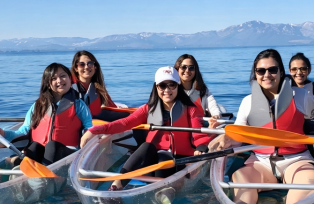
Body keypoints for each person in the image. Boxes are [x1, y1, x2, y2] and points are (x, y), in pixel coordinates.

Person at [209, 49, 314, 204]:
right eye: (261, 71)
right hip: (260, 162)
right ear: (255, 74)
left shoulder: (299, 96)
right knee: (240, 179)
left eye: (272, 70)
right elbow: (239, 133)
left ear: (281, 72)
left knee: (308, 184)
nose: (266, 75)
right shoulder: (248, 102)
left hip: (297, 160)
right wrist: (224, 138)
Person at [80, 66, 218, 190]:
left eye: (172, 85)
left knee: (164, 159)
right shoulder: (147, 109)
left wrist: (200, 148)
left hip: (178, 161)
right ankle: (116, 186)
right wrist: (93, 130)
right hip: (151, 162)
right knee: (146, 146)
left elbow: (198, 134)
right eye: (162, 86)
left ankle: (164, 193)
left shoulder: (191, 110)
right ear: (156, 87)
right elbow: (123, 123)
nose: (167, 90)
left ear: (178, 86)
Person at [0, 63, 93, 165]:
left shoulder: (79, 105)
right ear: (48, 83)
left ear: (70, 79)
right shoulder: (38, 106)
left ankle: (31, 171)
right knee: (34, 146)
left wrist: (89, 136)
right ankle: (28, 171)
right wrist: (3, 133)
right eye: (53, 78)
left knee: (52, 146)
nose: (59, 81)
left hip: (68, 155)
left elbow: (89, 128)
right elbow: (23, 131)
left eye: (63, 76)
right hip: (41, 154)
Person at [71, 50, 128, 120]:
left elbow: (111, 107)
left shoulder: (98, 89)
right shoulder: (68, 86)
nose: (86, 67)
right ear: (76, 68)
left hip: (96, 125)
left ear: (95, 67)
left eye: (90, 63)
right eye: (82, 64)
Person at [174, 54, 222, 118]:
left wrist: (216, 115)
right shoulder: (172, 89)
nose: (187, 70)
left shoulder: (202, 90)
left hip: (199, 125)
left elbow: (211, 103)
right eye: (183, 67)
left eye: (191, 67)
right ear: (177, 69)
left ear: (195, 70)